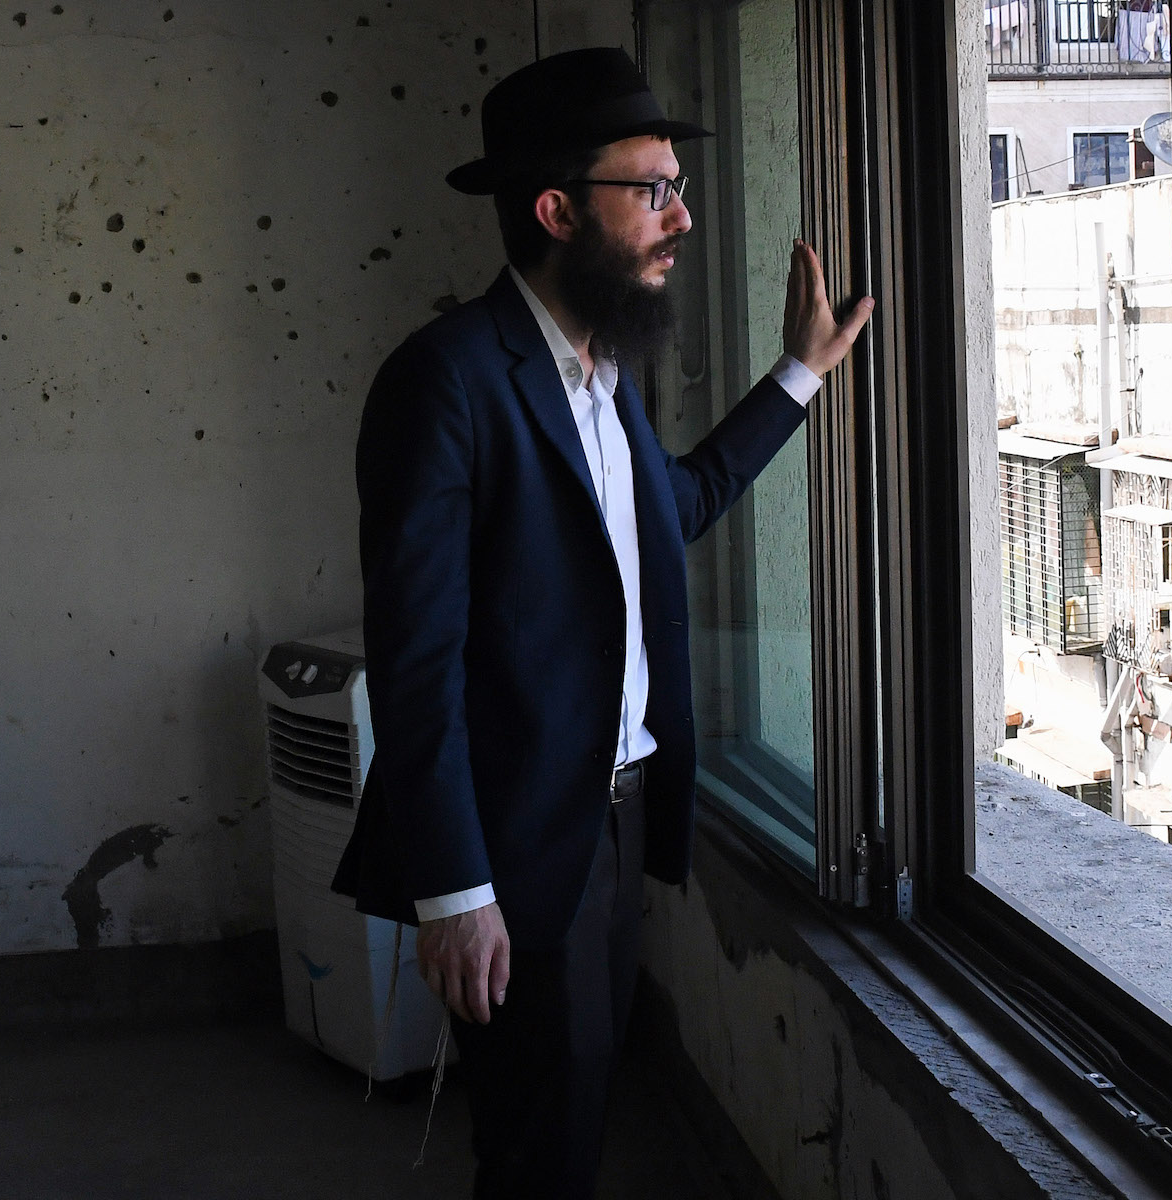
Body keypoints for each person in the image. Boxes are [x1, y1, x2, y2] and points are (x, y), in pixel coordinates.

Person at [330, 47, 872, 1195]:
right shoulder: (448, 380)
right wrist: (456, 896)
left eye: (680, 185)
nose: (681, 216)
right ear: (557, 209)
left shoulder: (602, 371)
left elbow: (669, 509)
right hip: (517, 839)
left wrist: (798, 378)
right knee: (539, 1147)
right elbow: (415, 662)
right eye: (654, 190)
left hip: (610, 825)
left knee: (572, 1117)